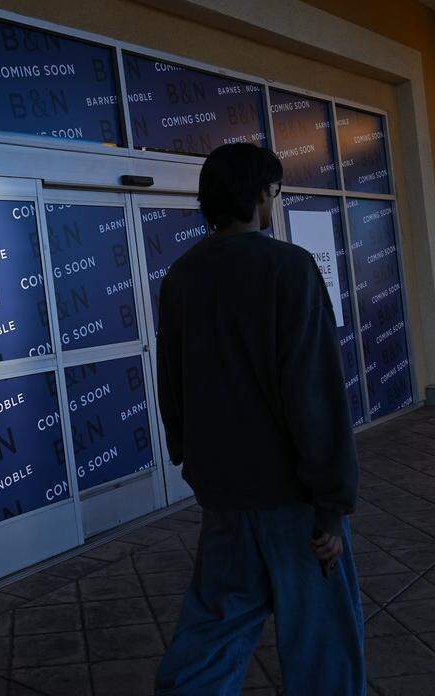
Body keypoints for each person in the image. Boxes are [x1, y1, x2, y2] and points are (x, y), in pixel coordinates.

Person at [153, 143, 364, 695]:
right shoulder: (289, 268)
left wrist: (191, 461)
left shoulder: (180, 277)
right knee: (321, 645)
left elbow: (170, 385)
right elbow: (313, 394)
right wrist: (332, 506)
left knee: (212, 635)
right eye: (275, 192)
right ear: (262, 196)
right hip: (292, 501)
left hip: (222, 496)